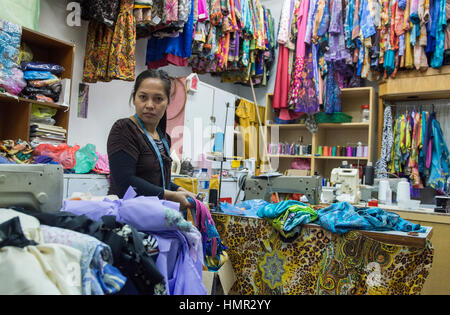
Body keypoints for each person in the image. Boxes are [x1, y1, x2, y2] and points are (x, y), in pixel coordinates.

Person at [107, 69, 196, 209]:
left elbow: (156, 181)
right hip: (126, 217)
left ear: (167, 103)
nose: (149, 105)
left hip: (155, 215)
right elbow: (125, 182)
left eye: (158, 99)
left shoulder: (163, 137)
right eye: (143, 97)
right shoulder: (124, 129)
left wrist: (178, 189)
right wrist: (171, 196)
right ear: (134, 98)